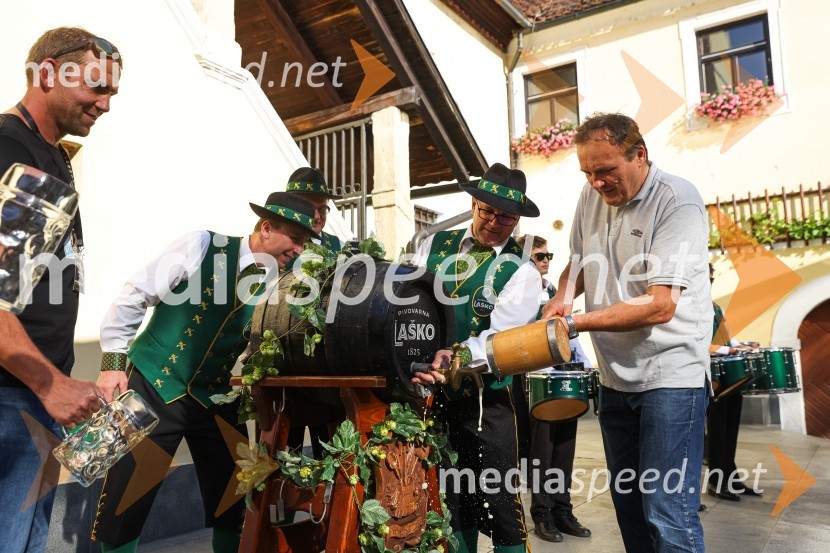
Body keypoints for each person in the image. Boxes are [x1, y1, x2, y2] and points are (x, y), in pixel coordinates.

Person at [92, 192, 318, 553]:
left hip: (212, 396)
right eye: (295, 238)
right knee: (127, 498)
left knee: (237, 490)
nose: (297, 249)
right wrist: (112, 363)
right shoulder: (200, 244)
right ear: (267, 227)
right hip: (155, 385)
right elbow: (137, 293)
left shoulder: (276, 283)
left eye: (303, 243)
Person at [541, 113, 712, 552]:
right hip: (615, 377)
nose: (596, 183)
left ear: (640, 155)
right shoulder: (591, 194)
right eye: (587, 173)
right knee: (631, 507)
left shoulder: (678, 201)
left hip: (671, 377)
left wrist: (575, 322)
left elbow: (659, 305)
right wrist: (563, 296)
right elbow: (578, 260)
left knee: (667, 509)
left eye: (605, 171)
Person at [0, 27, 121, 552]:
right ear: (47, 73)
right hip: (13, 397)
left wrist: (67, 384)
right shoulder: (10, 147)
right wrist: (51, 384)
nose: (105, 104)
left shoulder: (56, 158)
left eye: (113, 94)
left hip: (39, 397)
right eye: (97, 87)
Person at [411, 162, 541, 553]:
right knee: (449, 502)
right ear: (473, 203)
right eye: (487, 211)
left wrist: (454, 357)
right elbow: (407, 304)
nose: (494, 222)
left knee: (501, 505)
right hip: (429, 399)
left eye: (506, 217)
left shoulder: (523, 271)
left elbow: (500, 338)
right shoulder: (431, 246)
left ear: (517, 220)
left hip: (487, 403)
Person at [515, 235, 592, 543]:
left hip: (563, 377)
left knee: (564, 448)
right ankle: (542, 514)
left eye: (548, 255)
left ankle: (562, 509)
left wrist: (583, 362)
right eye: (538, 256)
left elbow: (568, 333)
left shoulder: (552, 293)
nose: (545, 260)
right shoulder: (517, 294)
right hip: (536, 379)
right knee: (541, 453)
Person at [283, 167, 342, 458]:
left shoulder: (335, 245)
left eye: (323, 209)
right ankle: (281, 503)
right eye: (310, 208)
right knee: (286, 445)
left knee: (327, 444)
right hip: (283, 360)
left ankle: (326, 500)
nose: (318, 216)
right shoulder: (279, 241)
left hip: (323, 363)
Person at [706, 263, 762, 501]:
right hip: (711, 377)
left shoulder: (715, 308)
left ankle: (732, 478)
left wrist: (742, 347)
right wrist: (727, 352)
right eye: (706, 279)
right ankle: (717, 483)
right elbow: (700, 345)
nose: (709, 283)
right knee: (717, 431)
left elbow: (729, 340)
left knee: (729, 430)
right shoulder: (689, 308)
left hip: (729, 377)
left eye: (711, 280)